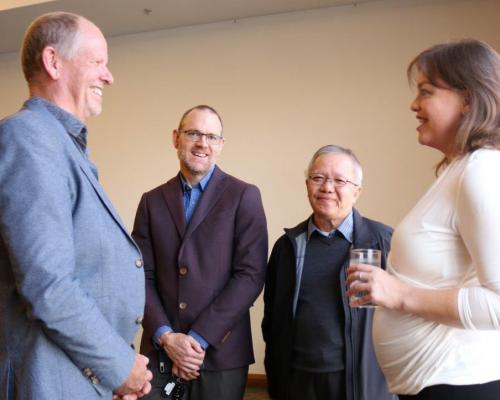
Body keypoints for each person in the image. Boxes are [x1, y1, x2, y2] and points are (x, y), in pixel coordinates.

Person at [0, 12, 152, 400]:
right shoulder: (28, 139)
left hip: (76, 378)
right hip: (48, 382)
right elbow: (48, 285)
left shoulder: (62, 146)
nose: (108, 76)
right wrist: (118, 367)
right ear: (53, 62)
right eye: (98, 61)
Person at [347, 39, 500, 400]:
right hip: (438, 384)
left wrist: (399, 294)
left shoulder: (480, 170)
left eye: (426, 91)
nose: (414, 105)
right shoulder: (460, 170)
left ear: (468, 99)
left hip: (461, 385)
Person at [132, 104, 268, 400]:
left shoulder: (244, 196)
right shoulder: (151, 201)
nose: (201, 143)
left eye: (211, 136)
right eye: (193, 133)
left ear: (220, 145)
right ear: (176, 138)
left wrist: (196, 340)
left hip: (221, 354)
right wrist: (167, 337)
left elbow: (251, 276)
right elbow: (140, 275)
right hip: (159, 352)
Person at [262, 144, 395, 400]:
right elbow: (273, 323)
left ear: (357, 191)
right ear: (307, 185)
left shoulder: (383, 241)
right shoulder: (287, 247)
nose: (327, 188)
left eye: (339, 180)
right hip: (298, 383)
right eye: (318, 178)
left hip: (361, 383)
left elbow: (405, 315)